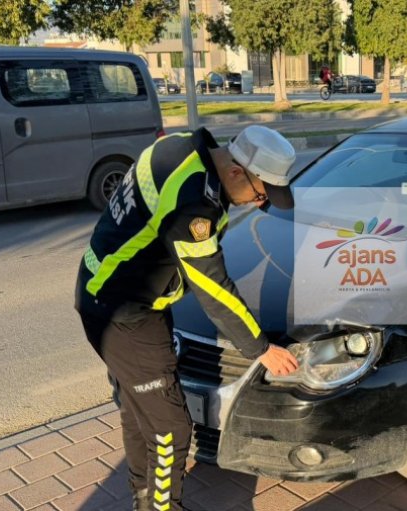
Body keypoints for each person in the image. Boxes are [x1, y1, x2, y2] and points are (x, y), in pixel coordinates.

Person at [74, 125, 300, 511]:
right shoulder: (194, 201)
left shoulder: (179, 147)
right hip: (123, 314)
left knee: (138, 410)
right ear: (235, 172)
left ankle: (145, 501)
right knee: (170, 429)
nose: (259, 204)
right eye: (261, 194)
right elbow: (211, 285)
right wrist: (260, 348)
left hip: (106, 294)